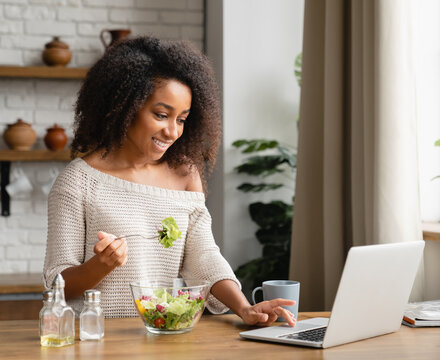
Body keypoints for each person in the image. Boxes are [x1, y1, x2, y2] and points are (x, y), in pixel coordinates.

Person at [43, 37, 296, 327]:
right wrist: (101, 265)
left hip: (162, 338)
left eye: (182, 119)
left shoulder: (185, 175)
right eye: (162, 115)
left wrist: (244, 307)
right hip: (96, 339)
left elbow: (204, 257)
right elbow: (56, 283)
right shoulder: (77, 182)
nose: (172, 131)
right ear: (125, 106)